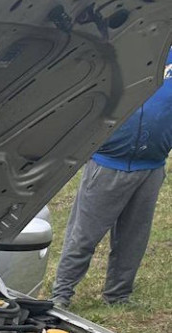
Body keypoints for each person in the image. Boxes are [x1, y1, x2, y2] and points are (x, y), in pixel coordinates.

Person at [53, 48, 172, 308]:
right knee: (83, 236)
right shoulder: (124, 50)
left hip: (151, 166)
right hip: (108, 162)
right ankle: (61, 295)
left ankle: (118, 296)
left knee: (133, 239)